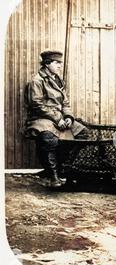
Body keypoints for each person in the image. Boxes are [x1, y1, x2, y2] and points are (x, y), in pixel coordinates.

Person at [24, 50, 88, 187]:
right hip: (41, 118)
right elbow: (37, 105)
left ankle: (62, 168)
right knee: (49, 139)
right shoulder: (37, 81)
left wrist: (68, 117)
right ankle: (53, 176)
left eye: (60, 63)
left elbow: (65, 102)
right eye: (57, 63)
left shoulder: (57, 80)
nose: (60, 66)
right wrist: (57, 118)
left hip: (59, 117)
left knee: (83, 133)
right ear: (47, 64)